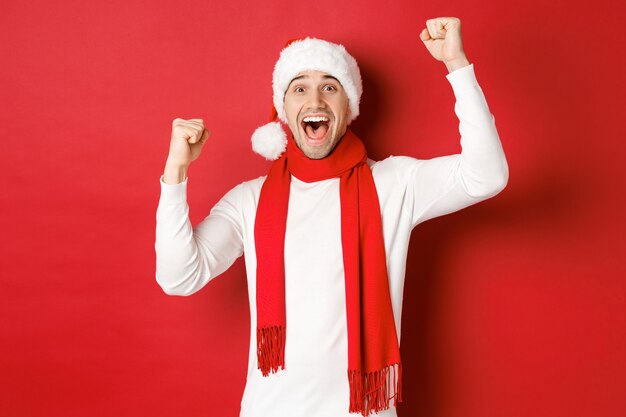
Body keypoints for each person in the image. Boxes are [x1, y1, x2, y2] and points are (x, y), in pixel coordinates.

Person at [155, 17, 508, 417]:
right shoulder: (248, 202)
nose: (315, 101)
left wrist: (457, 65)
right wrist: (175, 172)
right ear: (284, 110)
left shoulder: (393, 183)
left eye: (329, 87)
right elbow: (178, 277)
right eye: (299, 88)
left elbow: (487, 175)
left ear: (349, 105)